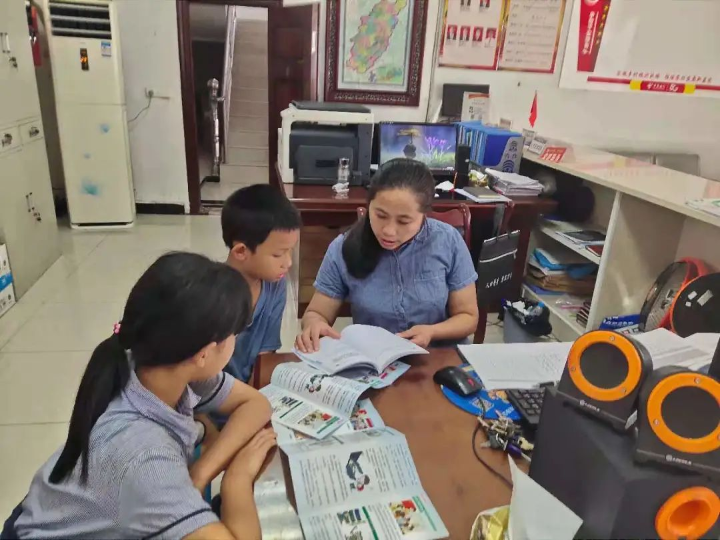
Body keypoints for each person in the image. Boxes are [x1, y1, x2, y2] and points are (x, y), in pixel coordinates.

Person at [6, 252, 275, 540]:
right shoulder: (145, 460)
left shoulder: (158, 361)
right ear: (205, 353)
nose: (235, 340)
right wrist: (236, 479)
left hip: (58, 510)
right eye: (234, 333)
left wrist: (200, 473)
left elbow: (256, 404)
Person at [296, 158, 479, 353]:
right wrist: (313, 325)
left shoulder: (448, 241)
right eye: (380, 215)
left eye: (404, 221)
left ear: (424, 214)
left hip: (438, 357)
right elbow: (316, 313)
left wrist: (431, 332)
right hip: (375, 361)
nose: (389, 231)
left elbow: (467, 316)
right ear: (368, 206)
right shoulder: (343, 247)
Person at [221, 184, 300, 383]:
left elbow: (265, 356)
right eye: (278, 254)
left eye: (291, 250)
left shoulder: (275, 284)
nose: (288, 263)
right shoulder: (212, 297)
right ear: (240, 251)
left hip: (252, 390)